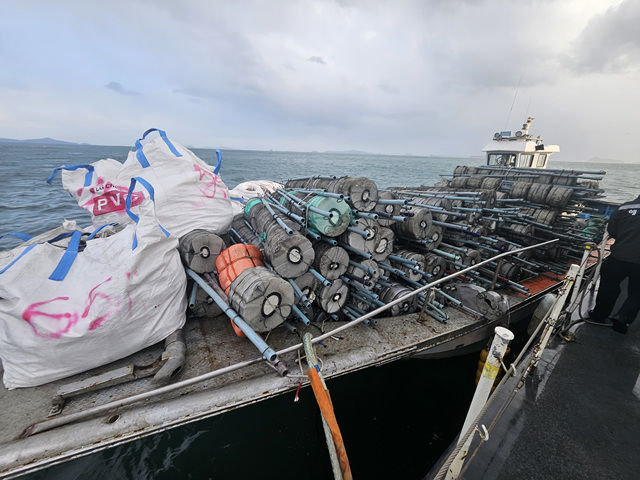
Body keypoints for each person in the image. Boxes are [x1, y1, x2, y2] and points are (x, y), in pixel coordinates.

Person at [589, 194, 640, 333]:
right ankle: (623, 318)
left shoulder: (624, 207)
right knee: (636, 293)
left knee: (608, 285)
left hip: (619, 256)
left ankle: (599, 315)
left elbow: (612, 230)